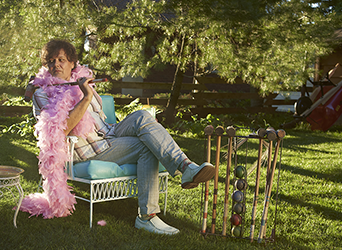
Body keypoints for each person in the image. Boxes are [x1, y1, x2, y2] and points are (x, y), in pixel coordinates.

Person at [29, 39, 215, 235]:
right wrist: (86, 97)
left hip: (110, 133)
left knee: (143, 116)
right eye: (51, 61)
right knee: (146, 147)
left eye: (61, 59)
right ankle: (147, 217)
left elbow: (100, 118)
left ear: (73, 63)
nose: (56, 64)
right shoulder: (42, 94)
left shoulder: (81, 82)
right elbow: (63, 129)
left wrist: (87, 92)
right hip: (88, 149)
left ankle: (186, 166)